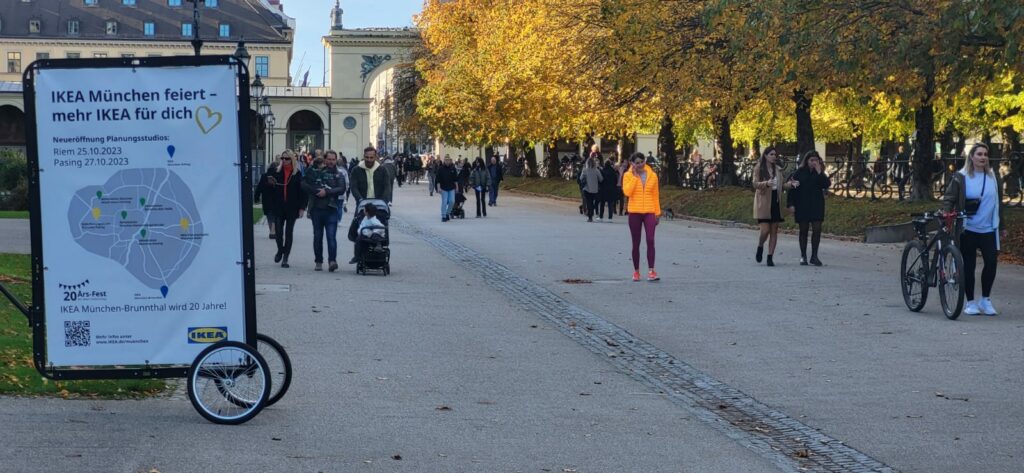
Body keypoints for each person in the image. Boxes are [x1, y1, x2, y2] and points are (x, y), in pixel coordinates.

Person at [943, 143, 1007, 316]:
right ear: (971, 156)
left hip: (988, 229)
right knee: (968, 266)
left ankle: (985, 299)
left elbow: (998, 204)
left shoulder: (993, 177)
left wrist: (1001, 226)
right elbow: (949, 198)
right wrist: (946, 214)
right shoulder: (961, 176)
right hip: (968, 229)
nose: (983, 157)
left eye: (985, 154)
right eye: (979, 154)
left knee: (991, 262)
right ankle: (970, 302)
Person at [753, 147, 799, 267]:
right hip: (763, 201)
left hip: (775, 201)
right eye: (772, 154)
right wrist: (766, 183)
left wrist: (791, 185)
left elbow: (782, 186)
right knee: (765, 230)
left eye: (775, 154)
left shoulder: (778, 169)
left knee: (774, 230)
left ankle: (770, 257)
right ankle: (760, 245)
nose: (774, 156)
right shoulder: (759, 168)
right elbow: (754, 183)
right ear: (766, 156)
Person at [302, 151, 347, 272]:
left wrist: (326, 192)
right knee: (317, 237)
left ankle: (332, 261)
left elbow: (342, 189)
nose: (331, 161)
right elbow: (304, 184)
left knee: (331, 237)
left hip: (331, 209)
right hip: (316, 209)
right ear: (325, 160)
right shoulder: (316, 172)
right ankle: (318, 261)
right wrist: (315, 191)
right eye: (329, 159)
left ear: (336, 160)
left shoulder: (339, 174)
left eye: (333, 159)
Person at [787, 151, 831, 266]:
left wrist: (820, 171)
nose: (814, 162)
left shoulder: (820, 173)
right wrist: (791, 204)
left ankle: (814, 256)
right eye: (811, 160)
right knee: (803, 230)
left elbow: (826, 184)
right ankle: (803, 255)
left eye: (816, 160)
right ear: (807, 161)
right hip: (802, 204)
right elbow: (792, 189)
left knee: (817, 229)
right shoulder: (799, 173)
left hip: (816, 205)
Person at [622, 153, 661, 281]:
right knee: (636, 242)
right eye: (637, 163)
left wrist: (657, 213)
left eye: (642, 161)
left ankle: (651, 271)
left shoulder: (653, 176)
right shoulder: (628, 175)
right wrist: (634, 177)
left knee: (650, 240)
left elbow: (655, 195)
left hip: (649, 210)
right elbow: (627, 192)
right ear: (632, 164)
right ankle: (636, 271)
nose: (640, 164)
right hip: (634, 212)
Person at [266, 152, 306, 268]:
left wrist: (302, 208)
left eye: (287, 158)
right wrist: (270, 184)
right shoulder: (276, 172)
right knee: (278, 232)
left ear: (292, 159)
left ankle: (285, 258)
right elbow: (268, 187)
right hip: (279, 206)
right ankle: (280, 250)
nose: (284, 160)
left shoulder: (297, 174)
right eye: (282, 158)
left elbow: (302, 192)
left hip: (292, 207)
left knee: (289, 232)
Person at [255, 161, 279, 239]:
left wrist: (256, 197)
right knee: (276, 215)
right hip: (276, 199)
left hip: (266, 199)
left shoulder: (264, 176)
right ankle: (273, 231)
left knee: (269, 216)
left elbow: (259, 187)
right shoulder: (279, 175)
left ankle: (271, 231)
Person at [580, 156, 604, 222]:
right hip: (595, 189)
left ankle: (590, 216)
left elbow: (581, 178)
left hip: (587, 189)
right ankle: (591, 213)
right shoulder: (596, 170)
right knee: (593, 202)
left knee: (588, 202)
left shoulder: (585, 170)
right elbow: (601, 179)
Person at [436, 155, 459, 221]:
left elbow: (455, 179)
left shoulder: (453, 168)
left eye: (448, 160)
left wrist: (457, 187)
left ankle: (447, 213)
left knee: (452, 201)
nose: (447, 161)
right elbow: (438, 179)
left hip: (451, 187)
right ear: (444, 161)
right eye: (446, 160)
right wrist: (438, 187)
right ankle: (443, 216)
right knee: (444, 202)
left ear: (450, 160)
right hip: (443, 188)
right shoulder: (441, 168)